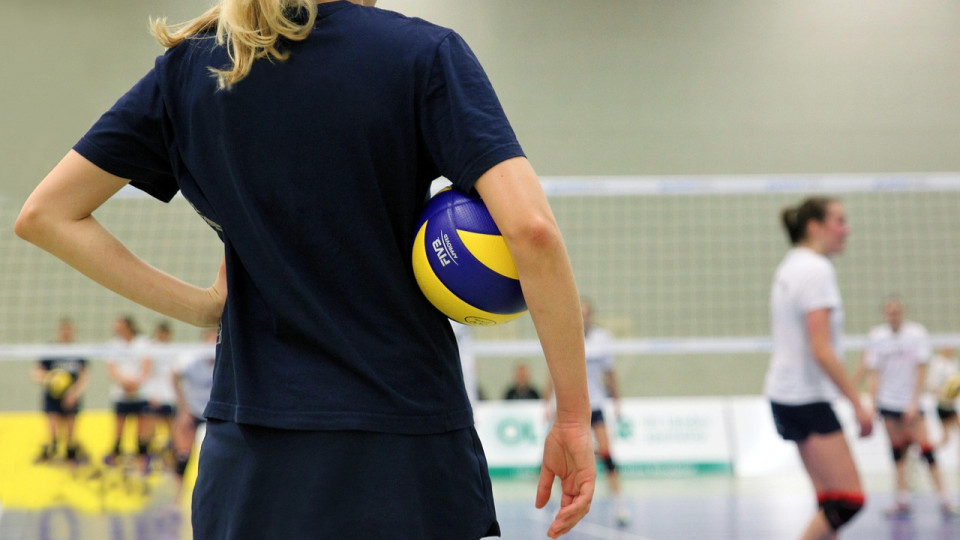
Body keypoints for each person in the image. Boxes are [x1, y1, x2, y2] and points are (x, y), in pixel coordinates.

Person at [15, 1, 595, 538]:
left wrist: (200, 306)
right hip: (404, 447)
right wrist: (572, 416)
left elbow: (47, 215)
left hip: (249, 461)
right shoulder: (422, 54)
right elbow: (532, 233)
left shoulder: (192, 67)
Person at [764, 197, 872, 540]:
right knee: (848, 502)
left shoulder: (791, 265)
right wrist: (858, 403)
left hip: (785, 395)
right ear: (815, 226)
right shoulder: (815, 269)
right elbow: (821, 349)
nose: (847, 229)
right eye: (839, 221)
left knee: (828, 500)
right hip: (805, 398)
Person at [863, 297, 957, 518]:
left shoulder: (916, 334)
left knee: (927, 451)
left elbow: (921, 369)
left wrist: (914, 402)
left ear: (902, 312)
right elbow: (874, 373)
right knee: (897, 454)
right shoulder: (877, 337)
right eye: (889, 310)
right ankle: (901, 500)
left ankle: (945, 500)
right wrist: (872, 403)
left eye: (897, 310)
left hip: (910, 404)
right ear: (885, 313)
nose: (893, 314)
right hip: (888, 404)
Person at [543, 297, 628, 526]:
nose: (583, 317)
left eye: (586, 313)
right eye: (579, 313)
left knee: (608, 455)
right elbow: (553, 372)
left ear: (592, 315)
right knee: (567, 459)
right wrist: (547, 403)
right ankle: (565, 506)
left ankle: (619, 505)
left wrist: (618, 401)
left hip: (597, 404)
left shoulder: (602, 339)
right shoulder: (565, 336)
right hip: (571, 407)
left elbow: (610, 374)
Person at [31, 317, 90, 464]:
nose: (66, 333)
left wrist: (74, 393)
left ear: (73, 332)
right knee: (52, 431)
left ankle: (71, 455)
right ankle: (51, 451)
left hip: (72, 395)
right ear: (58, 331)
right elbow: (36, 373)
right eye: (63, 330)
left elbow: (84, 376)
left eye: (69, 330)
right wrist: (50, 380)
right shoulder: (50, 349)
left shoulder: (78, 351)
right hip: (52, 395)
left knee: (70, 433)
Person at [171, 327, 218, 503]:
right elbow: (174, 376)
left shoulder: (226, 359)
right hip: (193, 410)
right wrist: (183, 408)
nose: (211, 345)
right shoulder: (189, 360)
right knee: (183, 455)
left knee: (217, 457)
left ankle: (215, 499)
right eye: (209, 341)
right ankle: (176, 499)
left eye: (215, 341)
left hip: (215, 412)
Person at [103, 315, 153, 472]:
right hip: (121, 393)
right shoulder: (113, 345)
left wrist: (136, 382)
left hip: (141, 393)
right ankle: (116, 462)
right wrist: (124, 382)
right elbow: (111, 370)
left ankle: (142, 464)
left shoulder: (143, 342)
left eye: (119, 325)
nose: (116, 328)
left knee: (141, 433)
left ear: (128, 326)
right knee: (119, 431)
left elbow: (147, 366)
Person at [142, 320, 179, 469]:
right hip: (154, 395)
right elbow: (147, 373)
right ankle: (147, 463)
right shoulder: (150, 348)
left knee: (173, 433)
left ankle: (171, 463)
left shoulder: (174, 350)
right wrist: (151, 393)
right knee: (148, 431)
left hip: (170, 397)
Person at [926, 347, 960, 448]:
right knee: (946, 438)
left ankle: (925, 450)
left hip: (950, 405)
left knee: (945, 439)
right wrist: (944, 394)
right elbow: (931, 385)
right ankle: (925, 450)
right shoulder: (937, 364)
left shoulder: (953, 362)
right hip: (943, 405)